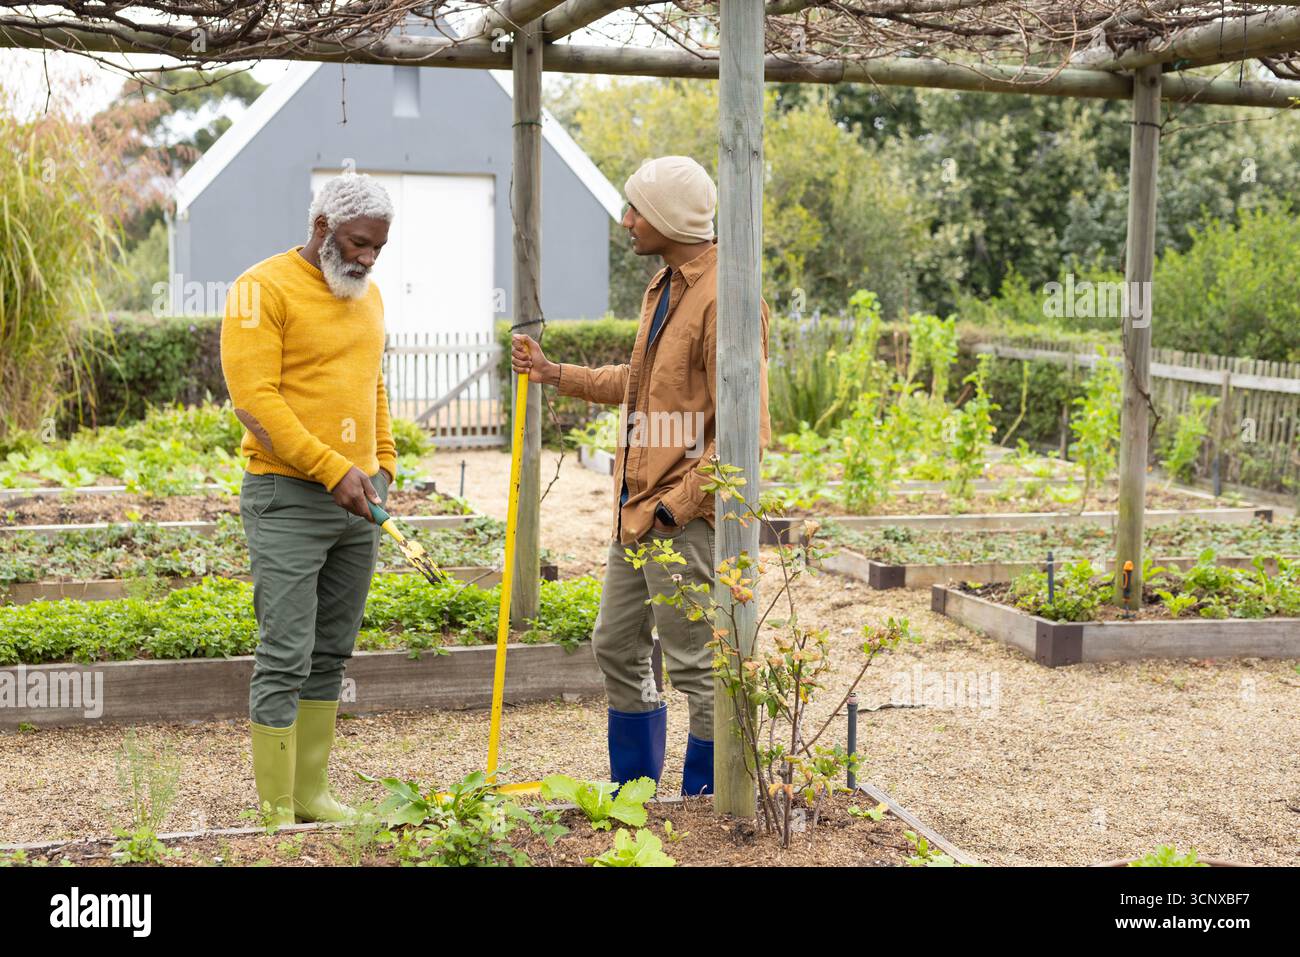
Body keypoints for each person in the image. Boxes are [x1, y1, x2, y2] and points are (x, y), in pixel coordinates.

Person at [512, 155, 770, 796]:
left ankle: (708, 802)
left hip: (680, 519)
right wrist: (556, 374)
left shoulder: (728, 297)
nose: (625, 220)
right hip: (637, 512)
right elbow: (647, 385)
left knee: (699, 668)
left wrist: (673, 508)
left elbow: (747, 436)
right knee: (615, 643)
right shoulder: (664, 287)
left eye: (635, 210)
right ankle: (636, 798)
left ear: (665, 218)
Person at [220, 173, 397, 825]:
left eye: (378, 247)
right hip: (287, 496)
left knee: (330, 650)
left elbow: (371, 380)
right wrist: (330, 468)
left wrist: (384, 463)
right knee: (286, 649)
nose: (367, 258)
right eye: (357, 243)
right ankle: (275, 806)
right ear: (321, 228)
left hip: (358, 498)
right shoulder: (260, 290)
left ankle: (311, 793)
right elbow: (255, 402)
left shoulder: (368, 297)